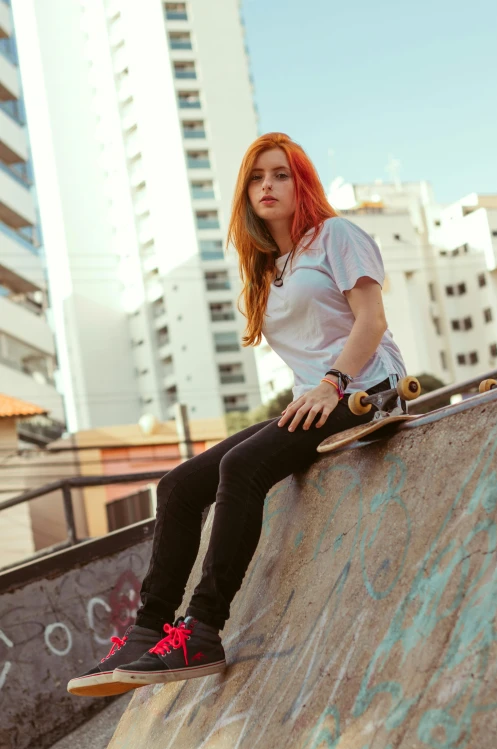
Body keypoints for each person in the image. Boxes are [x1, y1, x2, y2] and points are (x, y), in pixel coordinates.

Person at [67, 132, 406, 697]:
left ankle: (201, 630)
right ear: (245, 192)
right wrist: (315, 391)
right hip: (315, 398)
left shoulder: (336, 236)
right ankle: (146, 632)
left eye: (280, 175)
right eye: (257, 177)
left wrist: (332, 382)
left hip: (368, 387)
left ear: (302, 184)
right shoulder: (269, 267)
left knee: (241, 468)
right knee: (177, 485)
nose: (267, 186)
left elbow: (369, 321)